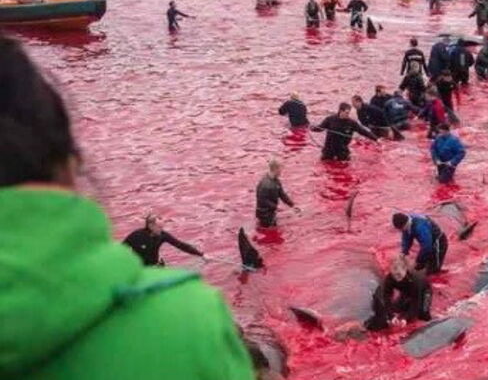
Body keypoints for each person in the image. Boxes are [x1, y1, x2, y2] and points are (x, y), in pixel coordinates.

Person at [0, 35, 254, 379]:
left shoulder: (160, 240)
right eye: (157, 224)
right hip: (138, 284)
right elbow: (117, 253)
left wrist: (201, 253)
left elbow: (173, 244)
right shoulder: (192, 319)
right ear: (71, 163)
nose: (160, 228)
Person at [365, 256, 432, 330]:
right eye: (394, 275)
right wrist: (391, 317)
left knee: (423, 315)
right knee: (396, 309)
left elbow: (415, 303)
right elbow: (386, 298)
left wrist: (406, 318)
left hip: (424, 291)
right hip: (405, 291)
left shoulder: (415, 280)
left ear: (405, 270)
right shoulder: (389, 279)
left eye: (399, 274)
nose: (396, 278)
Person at [123, 215, 205, 267]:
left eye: (162, 227)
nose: (161, 230)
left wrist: (201, 254)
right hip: (142, 270)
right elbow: (120, 249)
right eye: (159, 227)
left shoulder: (162, 235)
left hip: (158, 266)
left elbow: (180, 245)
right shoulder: (136, 236)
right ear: (150, 226)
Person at [312, 103, 379, 161]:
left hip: (342, 150)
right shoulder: (330, 119)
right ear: (341, 111)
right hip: (329, 149)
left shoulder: (351, 123)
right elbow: (320, 128)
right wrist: (312, 128)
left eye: (349, 113)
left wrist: (376, 139)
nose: (348, 115)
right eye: (347, 113)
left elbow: (363, 131)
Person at [255, 159, 299, 227]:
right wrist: (276, 207)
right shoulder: (265, 185)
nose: (281, 172)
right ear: (276, 169)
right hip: (265, 216)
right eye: (280, 169)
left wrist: (292, 205)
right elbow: (262, 200)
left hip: (271, 212)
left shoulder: (276, 181)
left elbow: (282, 194)